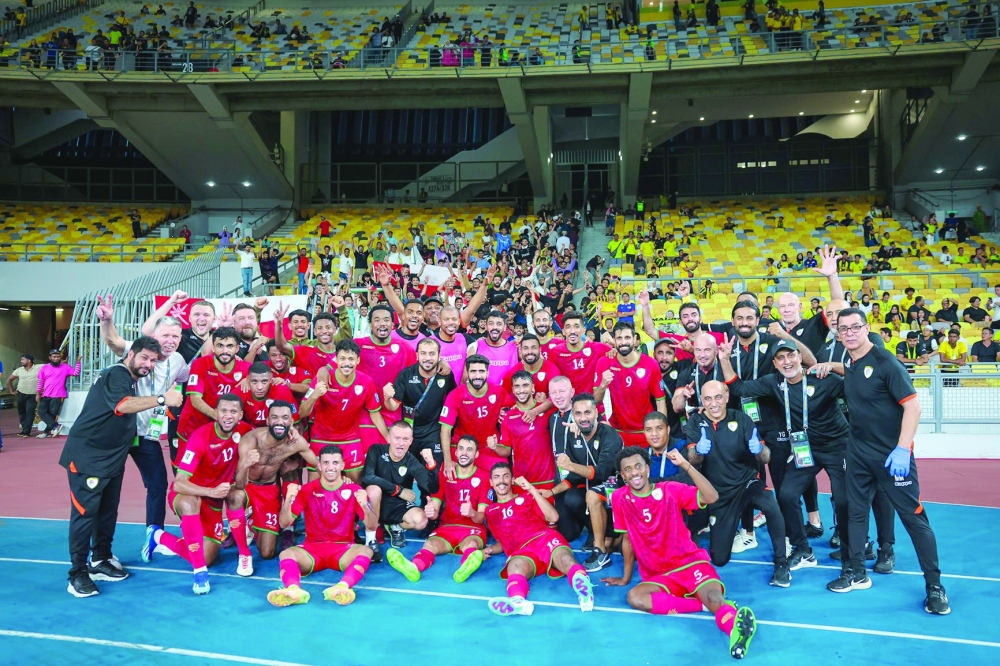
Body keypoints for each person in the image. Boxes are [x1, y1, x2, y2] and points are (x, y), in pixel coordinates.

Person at [827, 308, 949, 614]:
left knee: (913, 518)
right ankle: (857, 572)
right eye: (844, 328)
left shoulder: (887, 362)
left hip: (892, 456)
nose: (850, 332)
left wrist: (902, 449)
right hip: (858, 454)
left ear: (867, 329)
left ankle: (935, 587)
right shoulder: (850, 363)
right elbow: (853, 374)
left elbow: (914, 408)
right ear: (839, 333)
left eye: (856, 327)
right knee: (855, 513)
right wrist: (829, 365)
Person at [602, 446, 757, 660]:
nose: (634, 472)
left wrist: (686, 465)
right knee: (635, 597)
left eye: (638, 466)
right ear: (622, 475)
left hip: (690, 563)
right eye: (628, 469)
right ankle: (703, 606)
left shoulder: (670, 489)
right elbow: (627, 539)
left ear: (647, 468)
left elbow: (711, 496)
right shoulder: (619, 498)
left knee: (714, 596)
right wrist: (625, 577)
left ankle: (735, 630)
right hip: (659, 575)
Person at [719, 339, 853, 575]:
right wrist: (723, 360)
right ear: (775, 363)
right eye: (780, 358)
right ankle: (802, 549)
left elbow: (857, 380)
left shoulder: (822, 378)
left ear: (799, 356)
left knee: (843, 499)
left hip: (837, 446)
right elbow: (738, 388)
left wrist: (832, 365)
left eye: (790, 355)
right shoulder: (774, 382)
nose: (786, 361)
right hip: (806, 449)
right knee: (787, 494)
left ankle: (853, 547)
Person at [59, 337, 181, 597]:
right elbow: (123, 405)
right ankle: (77, 574)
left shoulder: (130, 380)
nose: (148, 364)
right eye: (144, 357)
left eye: (153, 360)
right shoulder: (117, 374)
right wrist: (162, 399)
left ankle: (100, 559)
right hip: (87, 459)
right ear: (131, 354)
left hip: (111, 459)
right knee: (85, 515)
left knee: (107, 512)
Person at [97, 303, 192, 560]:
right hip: (116, 434)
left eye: (175, 336)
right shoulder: (139, 352)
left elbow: (188, 378)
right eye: (165, 336)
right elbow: (114, 341)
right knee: (107, 491)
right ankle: (99, 553)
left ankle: (155, 536)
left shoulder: (179, 361)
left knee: (158, 485)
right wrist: (107, 321)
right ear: (154, 337)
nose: (170, 341)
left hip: (146, 435)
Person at [685, 380, 789, 587]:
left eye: (717, 397)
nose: (713, 403)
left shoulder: (742, 419)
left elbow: (765, 458)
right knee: (720, 559)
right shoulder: (695, 422)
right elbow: (692, 458)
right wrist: (698, 451)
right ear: (702, 401)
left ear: (726, 397)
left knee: (771, 505)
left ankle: (782, 563)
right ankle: (724, 528)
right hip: (718, 493)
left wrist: (758, 450)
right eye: (707, 399)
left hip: (747, 484)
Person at [265, 445, 378, 607]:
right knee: (286, 554)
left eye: (335, 462)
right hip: (312, 550)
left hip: (343, 550)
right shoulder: (307, 490)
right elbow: (284, 523)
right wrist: (287, 500)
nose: (330, 467)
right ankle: (294, 590)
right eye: (326, 463)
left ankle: (342, 587)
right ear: (319, 466)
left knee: (366, 550)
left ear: (342, 466)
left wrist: (365, 507)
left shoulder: (354, 489)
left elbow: (372, 526)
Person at [482, 463, 596, 616]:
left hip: (543, 537)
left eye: (506, 476)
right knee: (514, 567)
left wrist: (531, 489)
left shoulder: (527, 497)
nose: (501, 480)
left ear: (513, 479)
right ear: (491, 482)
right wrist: (487, 550)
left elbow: (554, 517)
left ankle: (584, 592)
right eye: (496, 477)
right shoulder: (491, 512)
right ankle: (518, 603)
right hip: (522, 551)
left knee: (564, 559)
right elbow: (502, 542)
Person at [224, 401, 317, 572]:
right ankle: (244, 554)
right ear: (267, 421)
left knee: (267, 553)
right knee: (234, 496)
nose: (279, 422)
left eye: (284, 418)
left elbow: (317, 463)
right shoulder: (251, 439)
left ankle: (251, 523)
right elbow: (239, 483)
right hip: (247, 487)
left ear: (291, 422)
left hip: (268, 491)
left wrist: (296, 463)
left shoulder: (295, 442)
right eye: (274, 417)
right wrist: (245, 465)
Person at [385, 434, 490, 583]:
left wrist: (472, 512)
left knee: (470, 545)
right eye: (461, 449)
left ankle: (465, 568)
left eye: (469, 449)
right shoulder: (444, 474)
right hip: (447, 527)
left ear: (476, 454)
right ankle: (414, 567)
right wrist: (430, 511)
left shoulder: (484, 477)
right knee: (430, 544)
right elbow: (434, 513)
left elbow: (482, 517)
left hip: (473, 529)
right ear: (456, 452)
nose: (464, 453)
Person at [552, 393, 623, 572]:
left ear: (596, 412)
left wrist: (569, 465)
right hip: (595, 488)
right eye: (578, 414)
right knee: (571, 497)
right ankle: (595, 534)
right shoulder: (573, 435)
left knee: (592, 495)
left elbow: (602, 472)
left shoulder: (610, 435)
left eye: (587, 413)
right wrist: (552, 492)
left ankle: (600, 551)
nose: (583, 418)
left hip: (618, 487)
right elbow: (574, 475)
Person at [300, 339, 389, 483]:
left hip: (350, 438)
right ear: (335, 359)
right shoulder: (321, 379)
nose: (346, 363)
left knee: (357, 481)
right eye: (342, 358)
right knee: (315, 484)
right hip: (322, 438)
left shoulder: (366, 382)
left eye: (351, 359)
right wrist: (315, 395)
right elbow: (302, 412)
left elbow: (374, 413)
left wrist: (387, 437)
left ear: (358, 360)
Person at [362, 421, 439, 554]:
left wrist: (431, 465)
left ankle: (394, 526)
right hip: (376, 503)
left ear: (411, 441)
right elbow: (367, 477)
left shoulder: (411, 461)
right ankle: (370, 539)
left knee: (421, 521)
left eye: (405, 439)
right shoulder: (376, 450)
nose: (401, 443)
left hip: (397, 506)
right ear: (389, 438)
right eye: (397, 438)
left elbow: (432, 488)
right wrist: (398, 490)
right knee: (374, 490)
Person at [176, 327, 251, 455]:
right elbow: (195, 399)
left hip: (223, 429)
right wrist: (218, 416)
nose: (225, 351)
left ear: (237, 349)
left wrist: (251, 379)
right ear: (213, 348)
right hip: (193, 426)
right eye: (220, 346)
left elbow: (266, 378)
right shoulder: (199, 364)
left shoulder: (246, 369)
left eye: (230, 346)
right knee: (188, 470)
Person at [440, 354, 514, 479]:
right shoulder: (456, 395)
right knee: (448, 475)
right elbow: (445, 430)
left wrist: (506, 412)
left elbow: (514, 409)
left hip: (488, 446)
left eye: (481, 371)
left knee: (503, 475)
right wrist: (447, 461)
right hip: (461, 445)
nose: (478, 376)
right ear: (467, 373)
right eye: (473, 371)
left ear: (487, 372)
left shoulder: (498, 391)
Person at [593, 322, 667, 447]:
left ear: (635, 339)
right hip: (618, 432)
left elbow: (660, 401)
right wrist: (602, 385)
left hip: (646, 432)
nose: (623, 342)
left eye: (627, 338)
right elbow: (596, 400)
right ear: (614, 341)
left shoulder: (650, 364)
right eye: (619, 338)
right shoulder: (604, 362)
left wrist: (662, 431)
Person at [495, 371, 557, 494]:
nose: (521, 390)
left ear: (533, 387)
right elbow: (506, 450)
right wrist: (494, 447)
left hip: (547, 480)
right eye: (517, 386)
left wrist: (535, 411)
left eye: (525, 385)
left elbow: (557, 398)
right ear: (512, 389)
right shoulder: (508, 417)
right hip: (522, 482)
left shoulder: (547, 410)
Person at [550, 311, 612, 394]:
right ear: (563, 331)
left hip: (592, 404)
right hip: (568, 404)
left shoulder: (598, 348)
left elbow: (622, 355)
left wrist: (614, 349)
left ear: (583, 330)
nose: (572, 331)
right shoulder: (555, 352)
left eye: (576, 326)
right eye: (568, 327)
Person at [35, 349, 81, 438]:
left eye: (58, 356)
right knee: (41, 412)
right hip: (45, 394)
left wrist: (78, 362)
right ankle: (56, 426)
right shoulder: (44, 367)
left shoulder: (65, 367)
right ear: (50, 358)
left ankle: (46, 432)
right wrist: (38, 393)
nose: (56, 358)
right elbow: (40, 381)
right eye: (54, 357)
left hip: (58, 395)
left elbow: (75, 373)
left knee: (52, 413)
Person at [8, 354, 40, 437]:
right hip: (21, 393)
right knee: (22, 412)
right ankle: (24, 429)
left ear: (29, 360)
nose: (21, 361)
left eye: (23, 359)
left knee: (30, 412)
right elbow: (10, 379)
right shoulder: (19, 370)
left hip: (32, 394)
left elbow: (51, 365)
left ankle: (27, 431)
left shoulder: (38, 367)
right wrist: (12, 391)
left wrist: (62, 362)